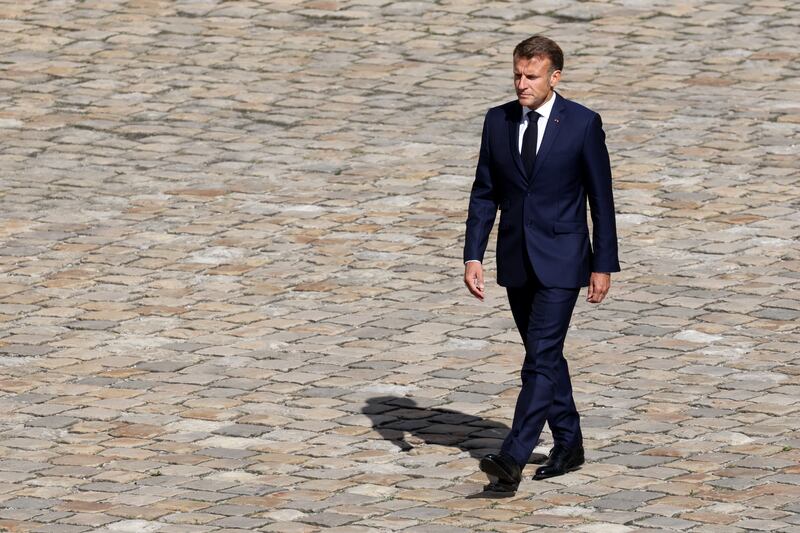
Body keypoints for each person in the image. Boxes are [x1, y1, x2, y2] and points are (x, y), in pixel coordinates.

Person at [463, 35, 620, 493]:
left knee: (540, 359)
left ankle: (512, 457)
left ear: (555, 77)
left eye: (531, 76)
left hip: (565, 261)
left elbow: (601, 201)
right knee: (544, 356)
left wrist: (602, 264)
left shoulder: (583, 125)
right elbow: (484, 193)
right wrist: (473, 254)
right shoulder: (497, 121)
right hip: (515, 260)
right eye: (517, 74)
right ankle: (569, 443)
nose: (521, 84)